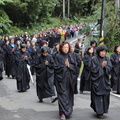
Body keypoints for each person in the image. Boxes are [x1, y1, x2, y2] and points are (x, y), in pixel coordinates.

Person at [54, 42, 77, 120]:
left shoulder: (71, 55)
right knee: (62, 95)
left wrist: (69, 65)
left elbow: (75, 67)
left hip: (70, 79)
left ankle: (68, 111)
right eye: (64, 47)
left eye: (67, 47)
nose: (66, 49)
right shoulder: (58, 56)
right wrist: (64, 66)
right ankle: (63, 113)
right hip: (61, 80)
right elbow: (56, 68)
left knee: (69, 95)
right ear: (61, 48)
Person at [90, 45, 112, 119]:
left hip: (105, 81)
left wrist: (106, 67)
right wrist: (101, 67)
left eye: (104, 51)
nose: (103, 53)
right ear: (99, 51)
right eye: (102, 51)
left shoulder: (107, 58)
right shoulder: (94, 59)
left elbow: (110, 68)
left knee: (105, 96)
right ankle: (99, 112)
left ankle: (104, 110)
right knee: (97, 97)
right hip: (97, 81)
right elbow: (93, 70)